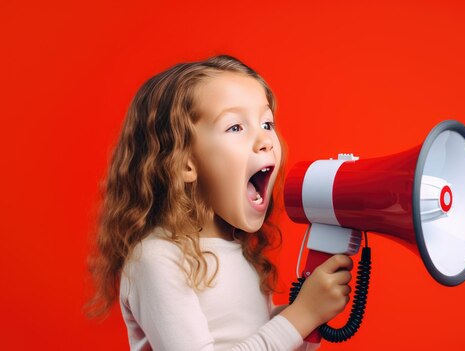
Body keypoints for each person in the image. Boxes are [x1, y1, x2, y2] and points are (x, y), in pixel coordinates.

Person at [84, 54, 354, 350]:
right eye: (235, 127)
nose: (265, 140)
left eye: (267, 123)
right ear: (184, 162)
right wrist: (301, 316)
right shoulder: (156, 258)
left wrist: (307, 316)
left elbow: (254, 340)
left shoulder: (237, 248)